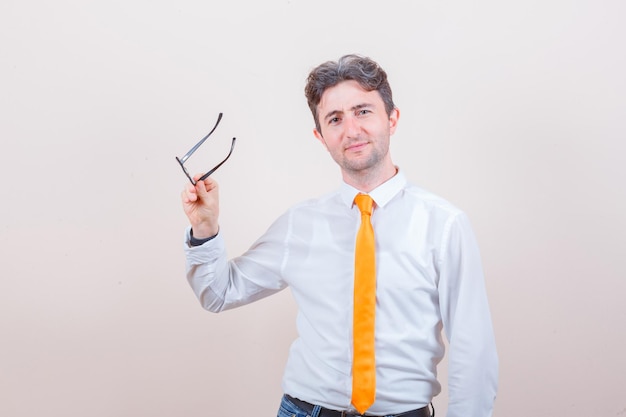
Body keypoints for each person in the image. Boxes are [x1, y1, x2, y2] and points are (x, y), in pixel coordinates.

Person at [180, 54, 498, 417]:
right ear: (320, 136)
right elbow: (219, 292)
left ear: (392, 119)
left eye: (363, 111)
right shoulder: (300, 223)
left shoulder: (444, 225)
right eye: (335, 119)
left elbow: (474, 351)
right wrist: (204, 229)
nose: (351, 131)